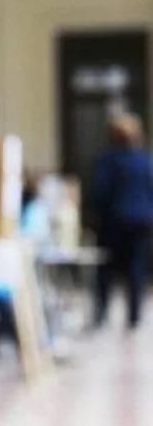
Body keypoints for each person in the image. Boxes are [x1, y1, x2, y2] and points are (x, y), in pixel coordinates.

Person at [93, 113, 153, 328]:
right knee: (136, 269)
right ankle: (134, 317)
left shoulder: (108, 160)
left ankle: (102, 313)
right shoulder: (145, 160)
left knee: (106, 268)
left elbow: (100, 192)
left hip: (114, 220)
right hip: (141, 220)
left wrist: (96, 214)